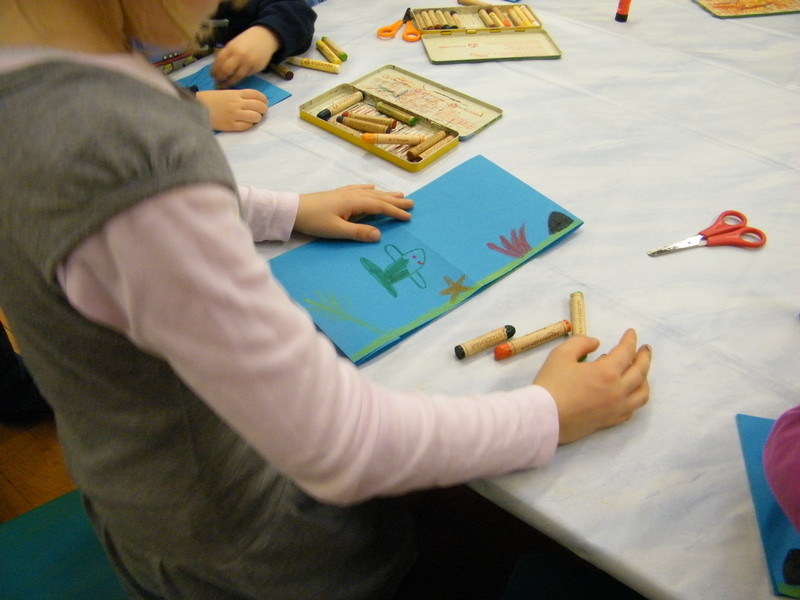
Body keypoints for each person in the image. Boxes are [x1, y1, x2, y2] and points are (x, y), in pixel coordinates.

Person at [0, 2, 652, 599]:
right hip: (267, 554)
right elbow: (337, 443)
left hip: (151, 499)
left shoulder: (36, 84)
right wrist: (548, 415)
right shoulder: (118, 142)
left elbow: (116, 220)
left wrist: (281, 210)